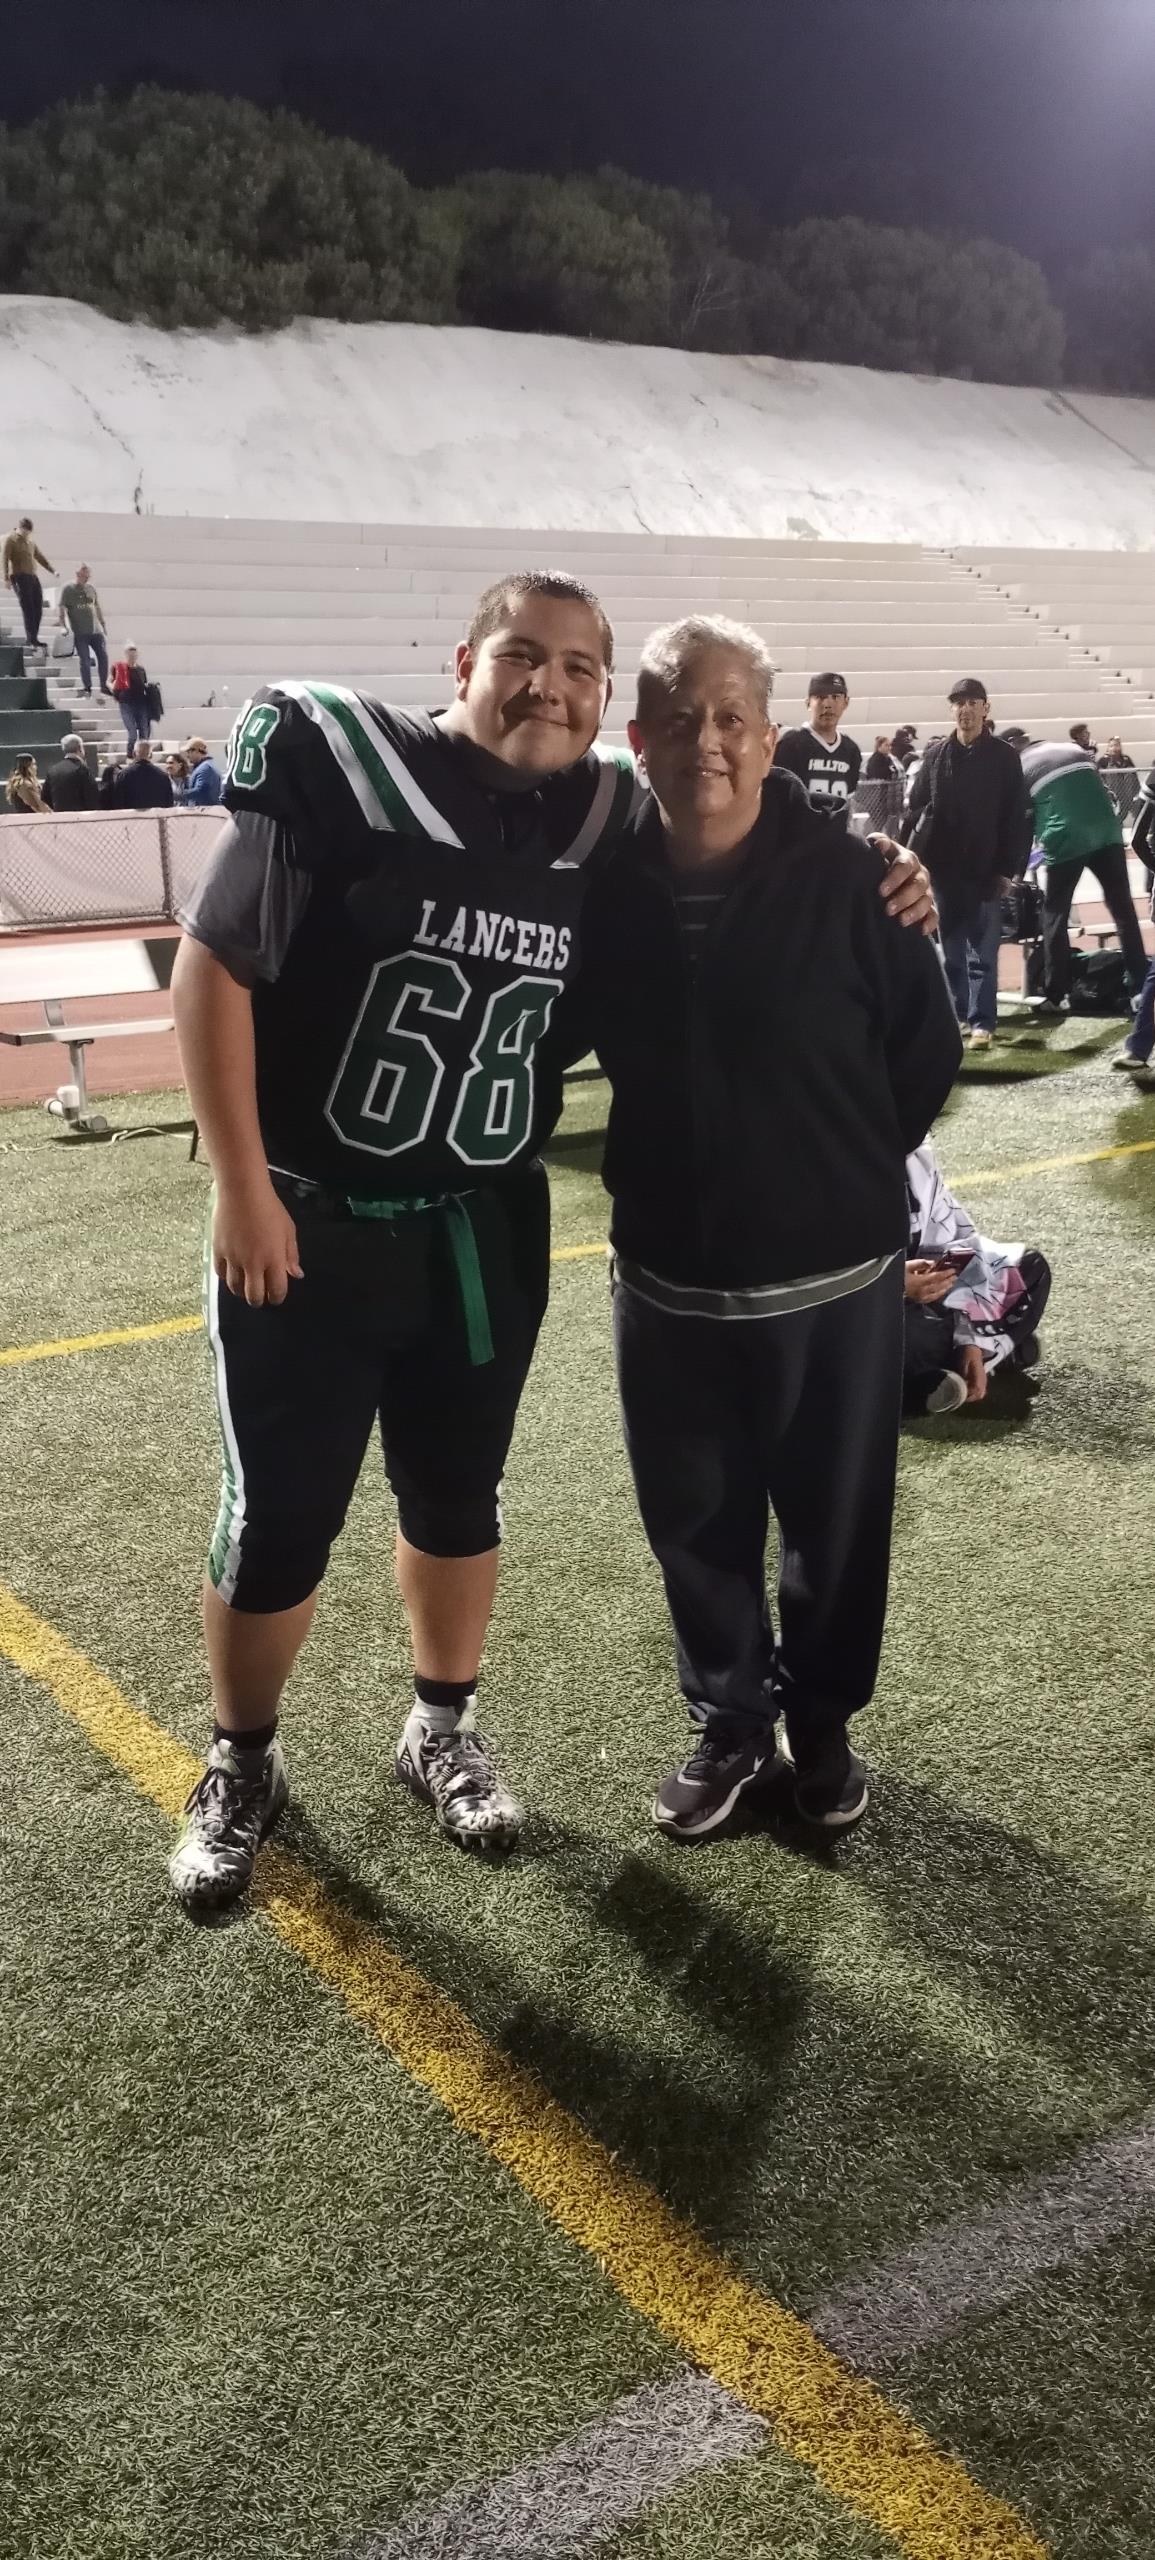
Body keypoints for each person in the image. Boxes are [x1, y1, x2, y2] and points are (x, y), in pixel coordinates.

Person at [164, 570, 936, 1911]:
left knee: (465, 1498)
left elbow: (881, 1003)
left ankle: (454, 1726)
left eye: (580, 666)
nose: (552, 686)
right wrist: (241, 1183)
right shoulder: (400, 781)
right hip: (341, 1216)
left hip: (508, 1219)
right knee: (291, 1511)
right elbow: (218, 962)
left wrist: (885, 869)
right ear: (466, 657)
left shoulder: (671, 834)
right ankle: (243, 1761)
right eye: (526, 656)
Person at [576, 616, 960, 1843]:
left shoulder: (860, 879)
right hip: (671, 1282)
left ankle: (826, 1725)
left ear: (773, 732)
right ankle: (732, 1721)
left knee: (839, 1526)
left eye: (733, 716)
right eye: (681, 719)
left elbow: (924, 1056)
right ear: (638, 739)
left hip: (836, 1276)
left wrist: (828, 1173)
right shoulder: (604, 890)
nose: (710, 743)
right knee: (695, 1520)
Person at [901, 678, 1032, 1052]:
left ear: (986, 709)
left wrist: (1007, 869)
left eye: (973, 702)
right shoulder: (936, 755)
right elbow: (916, 807)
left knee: (983, 954)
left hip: (986, 872)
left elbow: (1017, 818)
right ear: (951, 709)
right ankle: (956, 1017)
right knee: (952, 953)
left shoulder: (1005, 757)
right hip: (943, 870)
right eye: (959, 702)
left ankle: (982, 1023)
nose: (966, 709)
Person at [903, 1142, 1051, 1416]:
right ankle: (915, 1389)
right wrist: (895, 1284)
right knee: (899, 1333)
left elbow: (959, 1246)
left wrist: (971, 1339)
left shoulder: (918, 1155)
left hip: (923, 1306)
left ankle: (965, 1361)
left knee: (1028, 1268)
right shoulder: (829, 1157)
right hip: (867, 1308)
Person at [1017, 735, 1148, 1015]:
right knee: (1123, 910)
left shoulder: (1019, 765)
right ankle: (1140, 989)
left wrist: (1015, 872)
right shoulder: (1073, 749)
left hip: (1066, 837)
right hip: (1108, 831)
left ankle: (1057, 993)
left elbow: (1022, 824)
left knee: (1055, 915)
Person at [772, 673, 863, 815]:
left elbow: (848, 802)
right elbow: (775, 798)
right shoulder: (791, 744)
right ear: (808, 703)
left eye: (836, 697)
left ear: (846, 702)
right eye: (820, 697)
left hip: (834, 833)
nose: (827, 704)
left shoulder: (851, 750)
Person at [57, 565, 112, 699]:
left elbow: (97, 607)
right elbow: (62, 608)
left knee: (103, 657)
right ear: (77, 574)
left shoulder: (91, 588)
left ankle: (104, 686)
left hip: (95, 631)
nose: (86, 578)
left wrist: (103, 624)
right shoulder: (68, 589)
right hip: (80, 632)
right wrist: (63, 625)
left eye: (88, 576)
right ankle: (87, 686)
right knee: (85, 659)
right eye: (84, 575)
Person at [3, 516, 54, 652]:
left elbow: (39, 556)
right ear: (20, 528)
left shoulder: (30, 542)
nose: (26, 533)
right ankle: (30, 639)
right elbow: (4, 558)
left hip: (32, 577)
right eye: (25, 531)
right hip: (19, 577)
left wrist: (52, 570)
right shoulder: (11, 539)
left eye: (28, 532)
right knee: (28, 608)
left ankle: (35, 637)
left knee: (38, 607)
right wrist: (6, 577)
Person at [41, 734, 98, 812]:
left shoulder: (53, 770)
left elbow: (45, 797)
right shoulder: (83, 770)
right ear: (80, 749)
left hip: (60, 816)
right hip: (80, 817)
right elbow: (92, 796)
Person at [110, 644, 152, 747]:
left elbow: (144, 684)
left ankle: (142, 756)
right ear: (126, 655)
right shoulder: (119, 668)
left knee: (144, 734)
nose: (132, 657)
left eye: (134, 655)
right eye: (130, 655)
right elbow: (109, 682)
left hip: (141, 703)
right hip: (126, 703)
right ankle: (130, 753)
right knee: (132, 733)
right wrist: (114, 687)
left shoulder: (141, 670)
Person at [115, 739, 174, 809]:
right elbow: (169, 804)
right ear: (151, 755)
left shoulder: (123, 775)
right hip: (155, 818)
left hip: (132, 818)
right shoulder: (163, 776)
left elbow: (118, 804)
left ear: (133, 754)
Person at [177, 735, 225, 805]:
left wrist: (180, 795)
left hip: (205, 813)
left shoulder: (205, 768)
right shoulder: (205, 766)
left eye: (188, 752)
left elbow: (201, 791)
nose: (187, 756)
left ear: (196, 751)